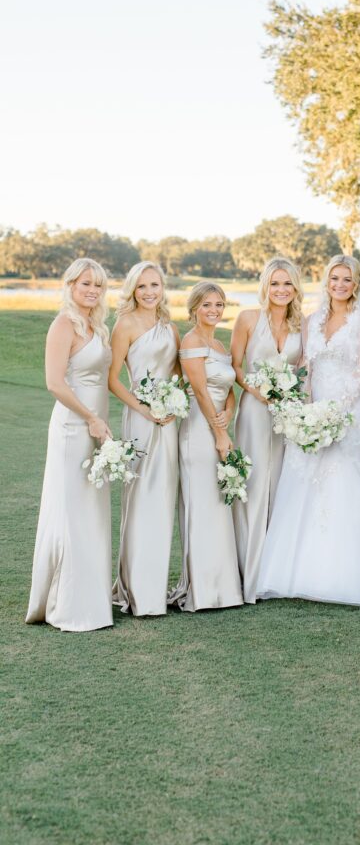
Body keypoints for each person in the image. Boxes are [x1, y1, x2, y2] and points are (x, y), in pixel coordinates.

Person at [257, 255, 360, 607]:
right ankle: (297, 574)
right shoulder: (311, 320)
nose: (340, 285)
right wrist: (305, 411)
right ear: (326, 281)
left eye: (347, 280)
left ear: (356, 284)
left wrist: (334, 413)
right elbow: (305, 365)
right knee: (305, 484)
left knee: (347, 484)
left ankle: (348, 576)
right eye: (334, 278)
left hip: (349, 413)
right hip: (313, 411)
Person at [26, 258, 114, 632]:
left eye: (98, 285)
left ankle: (93, 594)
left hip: (96, 428)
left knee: (92, 511)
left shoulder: (97, 324)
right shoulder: (63, 324)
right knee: (72, 511)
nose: (92, 290)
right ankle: (68, 603)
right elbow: (55, 383)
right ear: (70, 285)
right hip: (72, 427)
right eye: (85, 284)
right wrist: (90, 418)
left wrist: (100, 422)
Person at [109, 262, 181, 617]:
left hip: (169, 422)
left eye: (155, 285)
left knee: (163, 500)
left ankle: (155, 587)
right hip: (141, 420)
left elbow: (181, 374)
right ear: (133, 291)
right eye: (142, 287)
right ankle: (136, 591)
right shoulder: (124, 325)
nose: (150, 292)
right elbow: (114, 380)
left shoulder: (170, 327)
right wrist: (144, 409)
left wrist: (174, 401)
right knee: (140, 499)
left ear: (162, 287)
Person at [231, 258, 303, 603]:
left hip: (286, 415)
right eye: (275, 284)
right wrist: (256, 391)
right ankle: (248, 570)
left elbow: (304, 370)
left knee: (281, 485)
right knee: (254, 483)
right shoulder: (247, 319)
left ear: (296, 288)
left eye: (287, 284)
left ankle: (275, 570)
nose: (281, 290)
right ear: (265, 285)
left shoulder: (301, 325)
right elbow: (234, 366)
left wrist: (290, 397)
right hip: (254, 412)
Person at [168, 282, 243, 612]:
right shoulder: (191, 342)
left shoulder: (218, 343)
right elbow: (199, 393)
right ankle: (201, 589)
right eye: (207, 305)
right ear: (194, 308)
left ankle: (223, 587)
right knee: (202, 503)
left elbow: (228, 388)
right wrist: (219, 435)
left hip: (220, 423)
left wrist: (230, 411)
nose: (214, 310)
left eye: (219, 305)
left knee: (219, 503)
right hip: (200, 430)